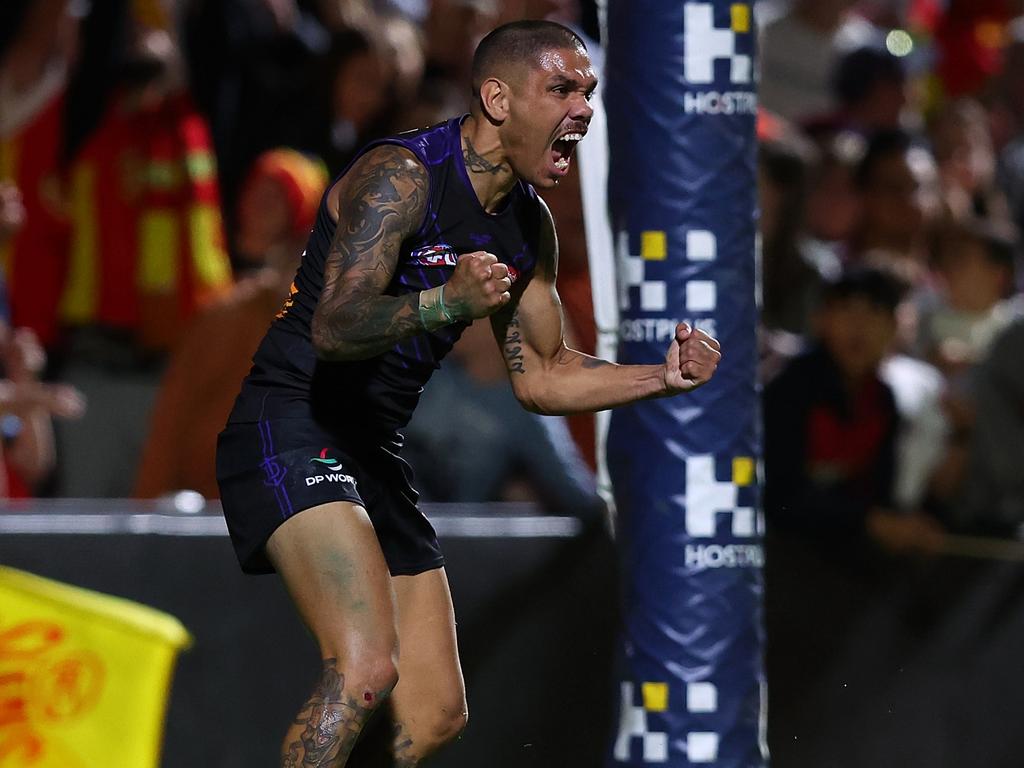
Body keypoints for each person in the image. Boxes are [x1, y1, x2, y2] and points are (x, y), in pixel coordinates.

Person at [215, 20, 721, 767]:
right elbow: (335, 324)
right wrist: (443, 303)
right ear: (496, 97)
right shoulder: (403, 175)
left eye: (589, 92)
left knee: (435, 712)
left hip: (371, 449)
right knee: (363, 669)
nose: (583, 110)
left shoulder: (526, 226)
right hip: (292, 421)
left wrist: (661, 376)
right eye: (561, 90)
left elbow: (543, 376)